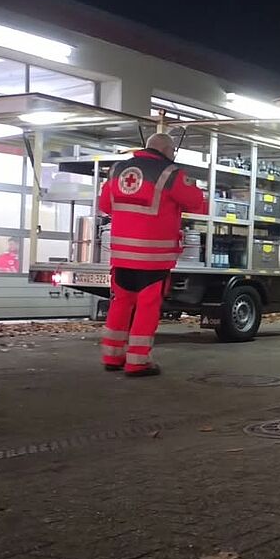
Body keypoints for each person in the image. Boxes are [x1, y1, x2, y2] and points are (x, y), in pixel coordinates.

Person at [98, 132, 206, 377]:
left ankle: (112, 356)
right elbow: (195, 201)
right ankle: (138, 362)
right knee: (147, 308)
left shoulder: (117, 170)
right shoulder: (170, 173)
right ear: (167, 150)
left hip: (121, 254)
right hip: (153, 257)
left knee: (121, 303)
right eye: (173, 152)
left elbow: (105, 205)